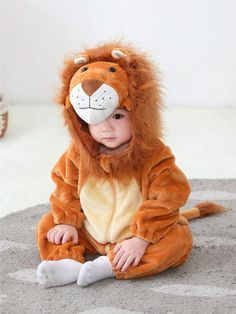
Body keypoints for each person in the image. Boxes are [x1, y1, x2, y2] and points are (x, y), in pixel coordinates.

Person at [36, 43, 193, 288]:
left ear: (139, 116)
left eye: (117, 116)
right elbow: (64, 188)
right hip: (91, 232)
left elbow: (167, 197)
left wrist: (141, 238)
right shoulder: (78, 154)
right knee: (50, 225)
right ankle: (67, 262)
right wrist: (67, 221)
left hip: (133, 234)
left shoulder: (154, 155)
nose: (106, 128)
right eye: (97, 118)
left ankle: (110, 266)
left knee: (178, 240)